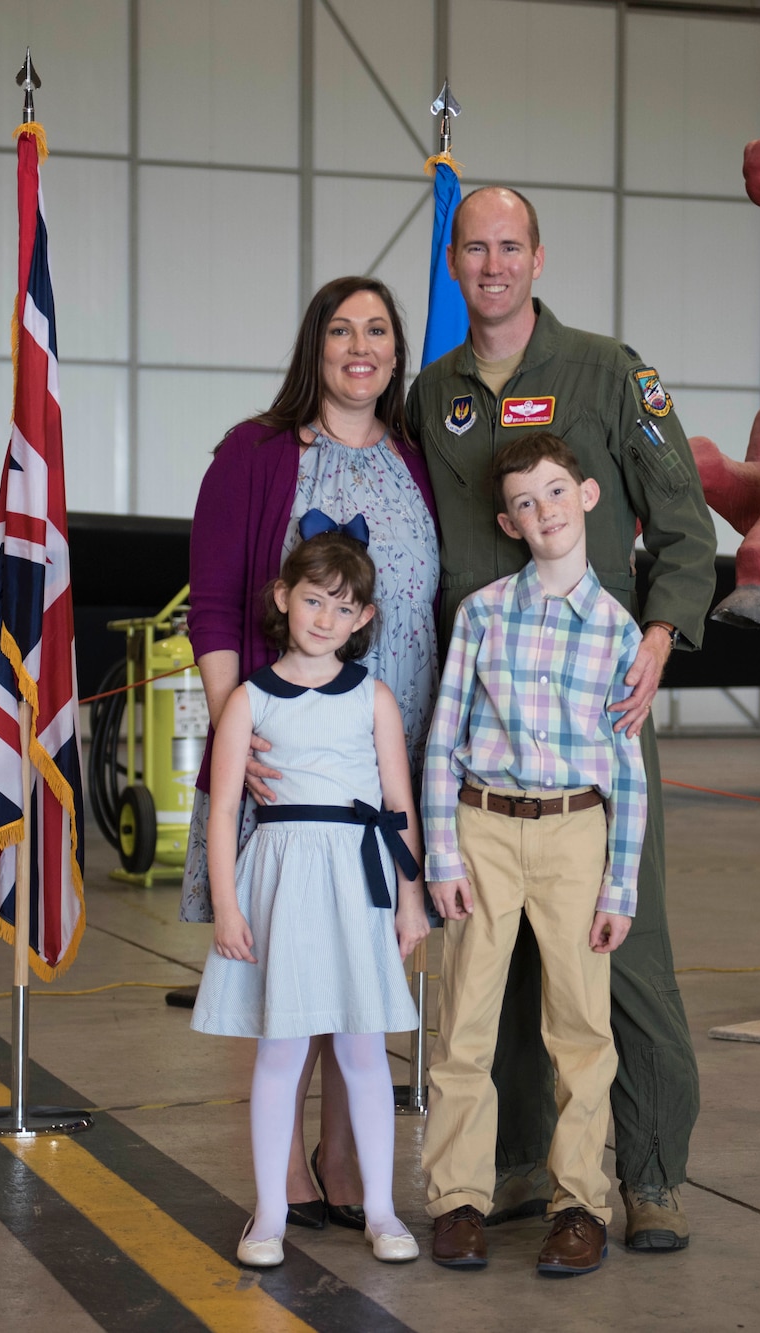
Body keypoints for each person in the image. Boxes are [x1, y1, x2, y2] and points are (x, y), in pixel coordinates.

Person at [403, 186, 717, 1252]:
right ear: (452, 261)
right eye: (472, 248)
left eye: (508, 246)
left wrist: (660, 638)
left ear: (536, 257)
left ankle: (652, 1177)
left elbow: (684, 524)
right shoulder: (428, 391)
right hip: (482, 721)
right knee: (488, 976)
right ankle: (516, 1170)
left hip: (592, 720)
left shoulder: (605, 370)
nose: (490, 265)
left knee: (620, 955)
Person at [184, 276, 442, 1229]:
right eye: (341, 329)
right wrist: (236, 733)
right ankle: (284, 1171)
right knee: (291, 965)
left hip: (389, 741)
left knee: (358, 960)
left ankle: (345, 1158)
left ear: (395, 351)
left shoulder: (416, 461)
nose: (359, 346)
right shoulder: (253, 454)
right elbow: (215, 604)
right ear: (315, 345)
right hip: (284, 752)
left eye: (377, 330)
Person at [420, 433, 649, 1276]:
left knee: (582, 1028)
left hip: (574, 833)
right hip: (482, 829)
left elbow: (627, 771)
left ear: (587, 497)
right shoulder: (480, 614)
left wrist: (618, 883)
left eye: (556, 492)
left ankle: (580, 1205)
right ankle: (458, 1201)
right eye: (525, 501)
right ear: (507, 521)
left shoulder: (619, 632)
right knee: (464, 1024)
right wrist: (441, 854)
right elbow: (444, 740)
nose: (543, 510)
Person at [191, 532, 431, 1268]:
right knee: (281, 1050)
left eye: (344, 606)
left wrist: (411, 897)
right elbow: (225, 809)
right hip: (282, 882)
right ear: (283, 598)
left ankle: (383, 1209)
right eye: (315, 599)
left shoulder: (374, 697)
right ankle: (267, 1211)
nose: (326, 617)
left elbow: (399, 802)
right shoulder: (248, 698)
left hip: (357, 880)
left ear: (364, 619)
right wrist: (227, 906)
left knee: (363, 1048)